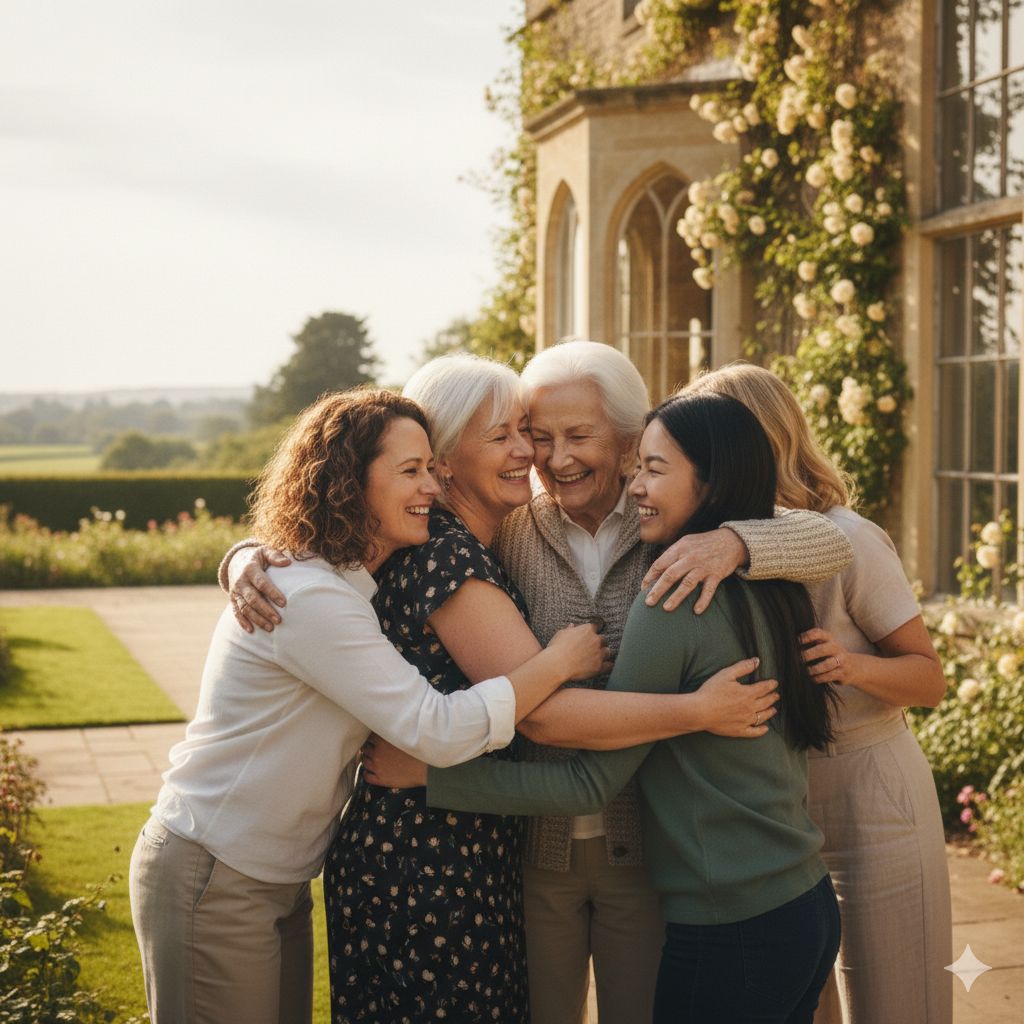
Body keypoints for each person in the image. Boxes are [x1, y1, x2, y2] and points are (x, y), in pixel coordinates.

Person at [230, 343, 854, 1024]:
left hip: (643, 849)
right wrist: (244, 558)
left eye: (575, 435)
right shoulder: (510, 531)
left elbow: (831, 540)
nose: (549, 457)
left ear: (626, 439)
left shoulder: (664, 525)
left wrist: (737, 540)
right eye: (533, 434)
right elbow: (354, 533)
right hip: (525, 848)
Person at [128, 388, 610, 1024]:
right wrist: (555, 665)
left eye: (431, 470)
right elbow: (434, 729)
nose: (432, 490)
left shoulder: (346, 583)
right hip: (215, 865)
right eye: (410, 472)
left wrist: (239, 555)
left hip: (271, 871)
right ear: (349, 485)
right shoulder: (313, 598)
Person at [646, 363, 951, 1024]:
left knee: (899, 998)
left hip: (873, 793)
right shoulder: (708, 543)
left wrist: (851, 666)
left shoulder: (850, 536)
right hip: (782, 798)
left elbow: (929, 679)